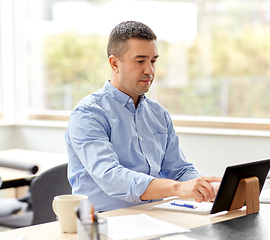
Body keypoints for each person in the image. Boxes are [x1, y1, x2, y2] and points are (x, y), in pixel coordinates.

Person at [65, 21, 221, 212]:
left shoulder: (158, 114)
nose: (150, 70)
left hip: (154, 217)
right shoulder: (88, 114)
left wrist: (207, 189)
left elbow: (179, 170)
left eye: (153, 61)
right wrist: (178, 189)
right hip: (102, 223)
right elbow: (110, 176)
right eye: (140, 61)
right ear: (114, 63)